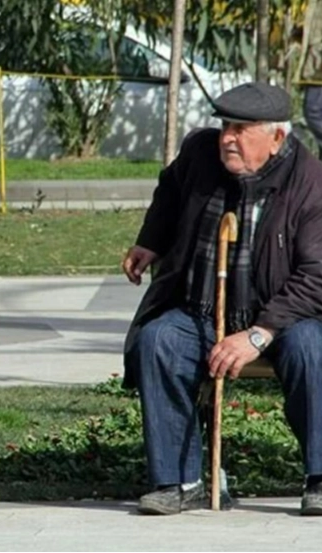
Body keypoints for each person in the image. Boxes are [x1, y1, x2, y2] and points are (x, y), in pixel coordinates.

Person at [122, 81, 322, 516]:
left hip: (282, 318)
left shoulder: (311, 182)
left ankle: (319, 477)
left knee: (312, 348)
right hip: (202, 310)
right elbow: (170, 189)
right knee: (158, 341)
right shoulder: (199, 154)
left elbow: (316, 276)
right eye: (225, 126)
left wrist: (257, 334)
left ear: (276, 138)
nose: (227, 138)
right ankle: (180, 481)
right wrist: (150, 240)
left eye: (240, 129)